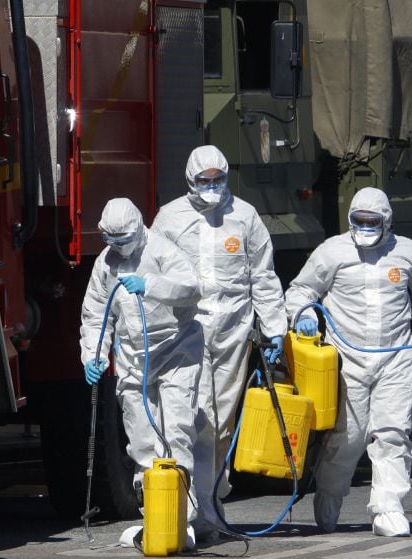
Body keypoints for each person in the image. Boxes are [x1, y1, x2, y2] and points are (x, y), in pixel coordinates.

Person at [284, 187, 412, 537]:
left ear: (387, 221)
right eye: (359, 221)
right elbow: (301, 290)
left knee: (393, 433)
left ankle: (388, 508)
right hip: (347, 359)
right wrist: (301, 315)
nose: (365, 227)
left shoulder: (405, 252)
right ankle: (330, 495)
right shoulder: (332, 252)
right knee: (348, 437)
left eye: (372, 221)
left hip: (395, 358)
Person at [151, 145, 286, 539]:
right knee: (193, 416)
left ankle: (209, 502)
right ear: (190, 180)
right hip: (185, 332)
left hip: (233, 330)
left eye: (217, 180)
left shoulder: (244, 217)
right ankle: (193, 509)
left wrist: (274, 325)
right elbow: (154, 273)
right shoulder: (169, 219)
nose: (211, 187)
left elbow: (262, 275)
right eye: (203, 181)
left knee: (220, 422)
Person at [79, 198, 204, 545]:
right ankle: (155, 519)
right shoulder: (105, 265)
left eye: (123, 239)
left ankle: (183, 519)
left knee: (176, 431)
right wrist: (94, 355)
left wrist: (150, 285)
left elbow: (191, 287)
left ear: (139, 228)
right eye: (111, 240)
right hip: (134, 360)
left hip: (176, 352)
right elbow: (95, 315)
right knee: (142, 441)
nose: (118, 247)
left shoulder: (163, 251)